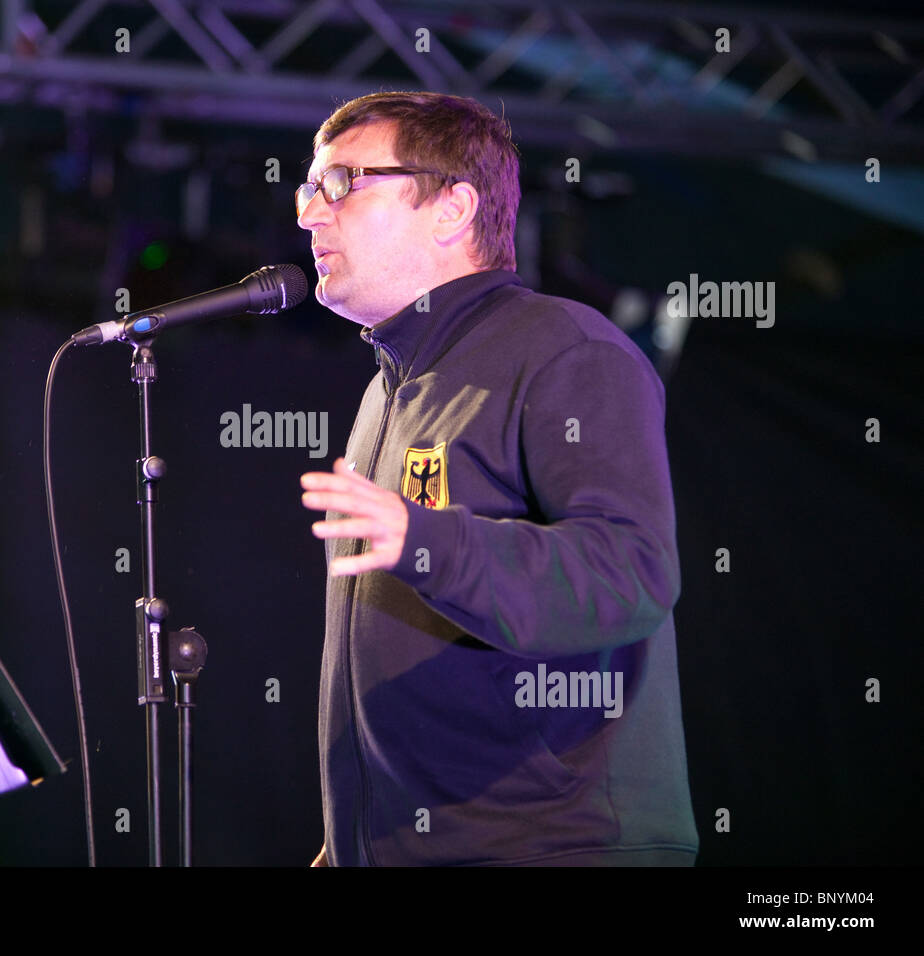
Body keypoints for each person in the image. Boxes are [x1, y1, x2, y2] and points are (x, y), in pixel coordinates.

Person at [296, 92, 697, 865]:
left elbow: (632, 573)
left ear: (451, 209)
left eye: (343, 182)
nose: (313, 213)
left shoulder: (568, 349)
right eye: (309, 189)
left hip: (555, 848)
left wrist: (426, 539)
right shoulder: (389, 389)